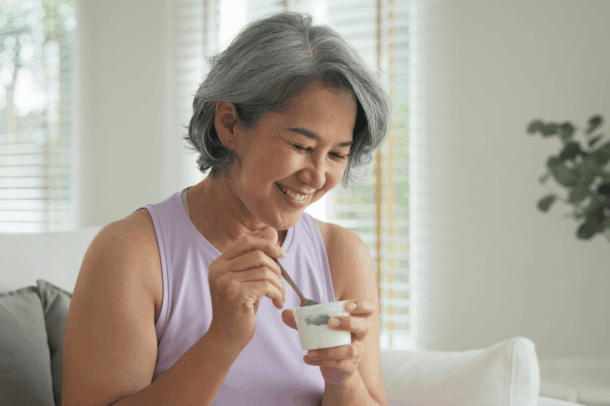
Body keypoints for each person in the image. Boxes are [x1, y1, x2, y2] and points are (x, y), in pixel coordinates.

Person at [62, 10, 392, 406]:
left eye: (337, 154)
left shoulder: (341, 254)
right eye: (302, 147)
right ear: (229, 123)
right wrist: (223, 339)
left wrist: (345, 381)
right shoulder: (131, 251)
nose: (317, 176)